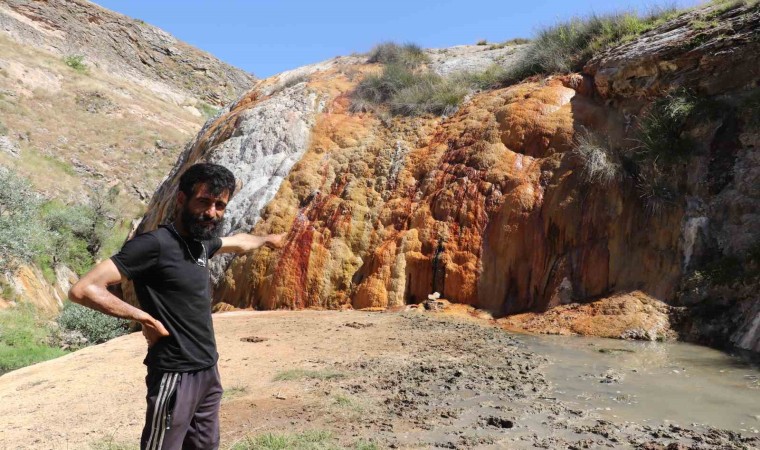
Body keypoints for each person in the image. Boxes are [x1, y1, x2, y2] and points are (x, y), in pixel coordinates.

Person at [69, 163, 286, 450]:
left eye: (220, 205)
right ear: (182, 199)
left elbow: (239, 243)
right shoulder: (154, 244)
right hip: (175, 373)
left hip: (207, 369)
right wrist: (144, 318)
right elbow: (84, 289)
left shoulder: (200, 244)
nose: (211, 212)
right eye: (204, 201)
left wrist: (268, 240)